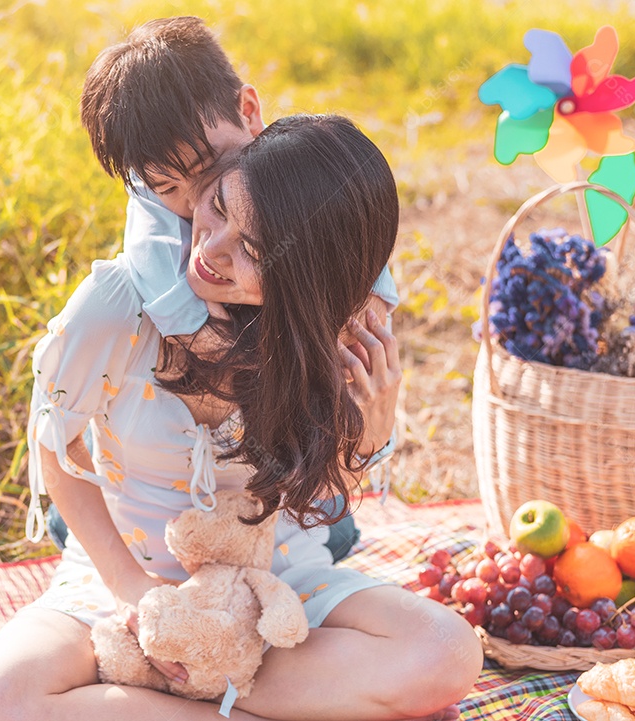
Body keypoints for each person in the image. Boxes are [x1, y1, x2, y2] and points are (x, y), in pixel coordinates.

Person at [0, 114, 482, 721]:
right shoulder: (119, 302)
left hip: (276, 583)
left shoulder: (332, 341)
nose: (209, 251)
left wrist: (372, 430)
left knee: (446, 652)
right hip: (127, 577)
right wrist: (133, 591)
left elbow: (324, 500)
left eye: (251, 251)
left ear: (305, 279)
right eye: (220, 206)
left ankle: (174, 698)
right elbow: (54, 447)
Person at [43, 16, 400, 561]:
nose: (192, 199)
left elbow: (344, 230)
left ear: (250, 112)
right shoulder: (154, 233)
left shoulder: (293, 171)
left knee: (325, 518)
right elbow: (156, 266)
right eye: (166, 186)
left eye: (209, 169)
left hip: (274, 516)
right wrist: (202, 336)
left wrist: (369, 292)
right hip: (138, 503)